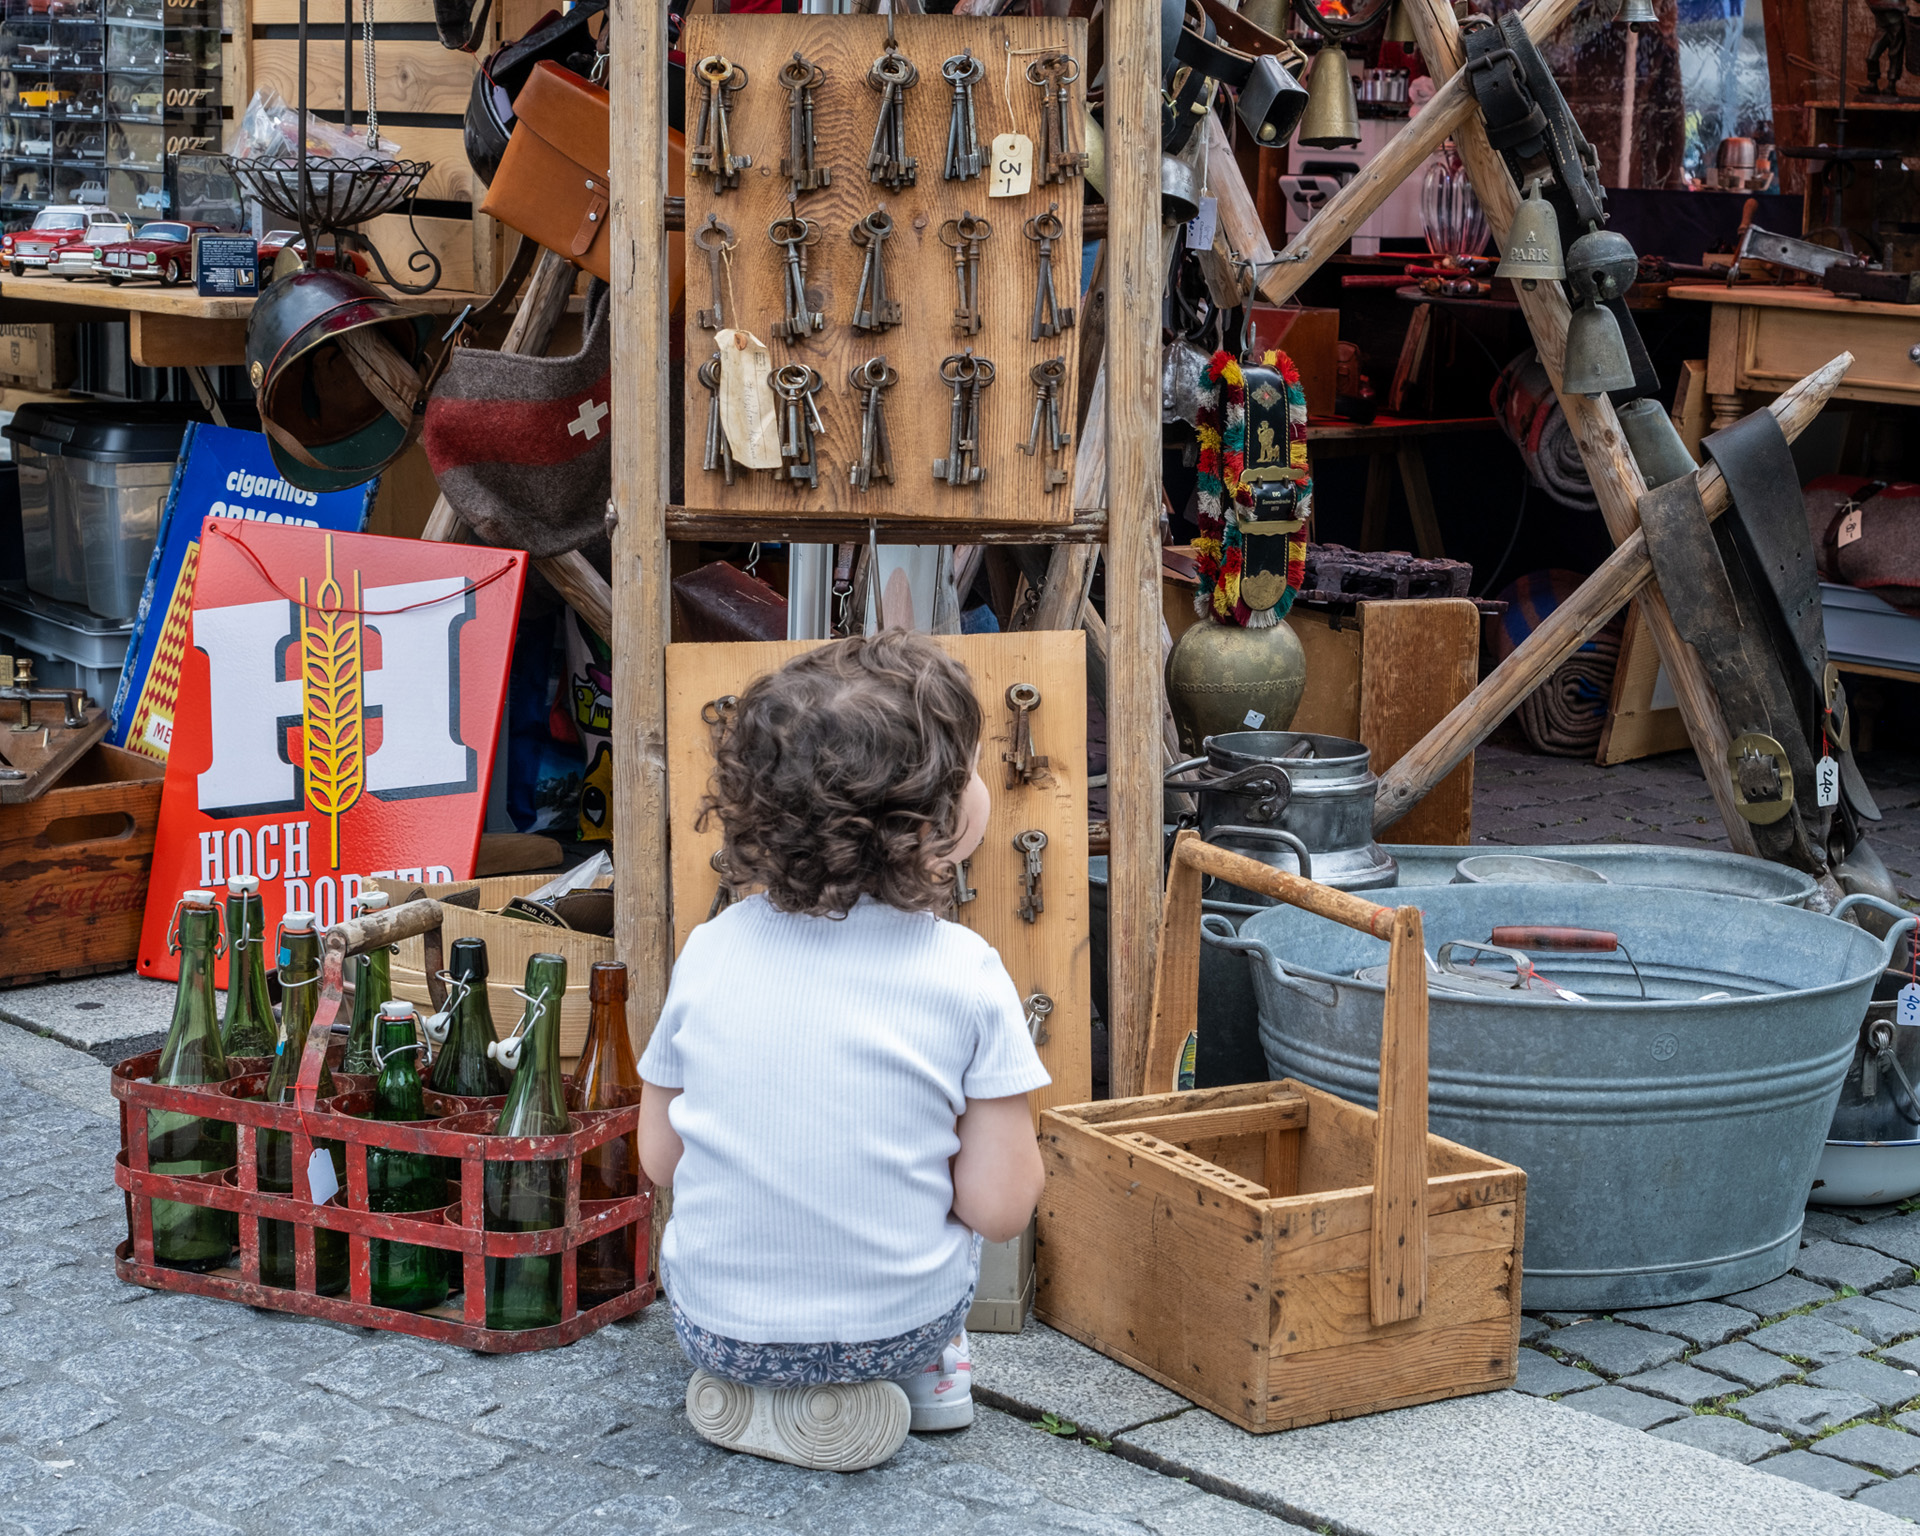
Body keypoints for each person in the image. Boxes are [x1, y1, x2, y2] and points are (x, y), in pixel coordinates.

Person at [638, 631, 1050, 1473]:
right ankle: (930, 1381)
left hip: (717, 1329)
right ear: (942, 817)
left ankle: (755, 1388)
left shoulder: (711, 950)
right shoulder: (966, 973)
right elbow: (1000, 1207)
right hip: (892, 1329)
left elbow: (659, 1157)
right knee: (952, 1209)